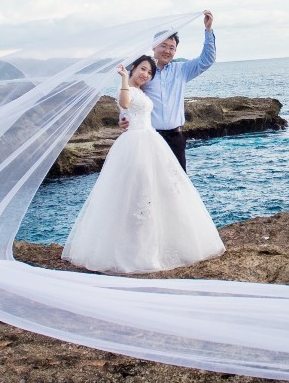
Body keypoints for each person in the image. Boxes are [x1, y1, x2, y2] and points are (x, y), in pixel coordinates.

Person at [61, 54, 225, 273]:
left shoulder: (142, 90)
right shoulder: (126, 89)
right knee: (138, 193)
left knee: (162, 192)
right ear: (134, 67)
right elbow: (124, 104)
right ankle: (136, 250)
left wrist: (123, 117)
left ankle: (165, 241)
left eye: (149, 72)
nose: (146, 75)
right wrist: (122, 79)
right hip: (135, 144)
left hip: (151, 139)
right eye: (143, 69)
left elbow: (130, 112)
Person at [143, 10, 215, 171]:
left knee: (177, 186)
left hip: (176, 138)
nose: (167, 51)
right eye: (164, 45)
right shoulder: (144, 71)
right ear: (154, 46)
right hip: (150, 138)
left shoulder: (181, 70)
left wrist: (208, 30)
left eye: (172, 48)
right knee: (151, 185)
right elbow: (130, 95)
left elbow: (207, 60)